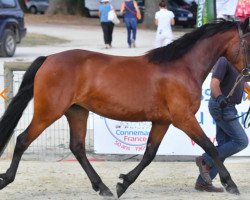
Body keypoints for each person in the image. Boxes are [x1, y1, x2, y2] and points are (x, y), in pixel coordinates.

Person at [195, 57, 249, 192]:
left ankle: (203, 182)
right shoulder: (224, 60)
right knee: (241, 141)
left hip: (228, 107)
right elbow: (214, 84)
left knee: (224, 146)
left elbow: (243, 84)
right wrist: (220, 99)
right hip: (221, 106)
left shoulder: (240, 64)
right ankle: (205, 160)